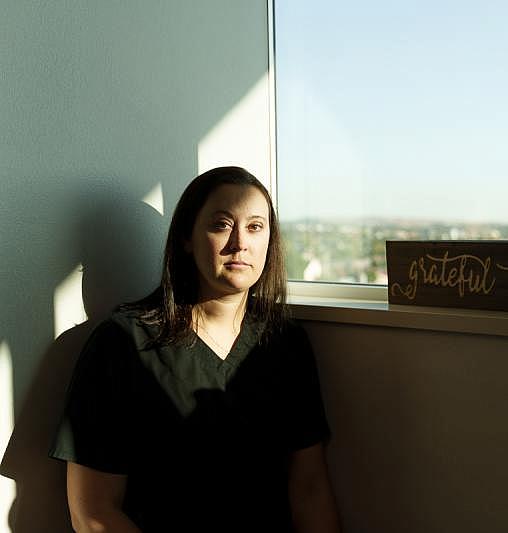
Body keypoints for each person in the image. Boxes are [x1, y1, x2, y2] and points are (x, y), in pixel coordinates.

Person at [49, 167, 341, 532]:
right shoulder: (122, 344)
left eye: (255, 227)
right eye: (221, 225)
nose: (240, 243)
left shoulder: (285, 342)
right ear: (187, 238)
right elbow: (92, 514)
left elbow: (310, 487)